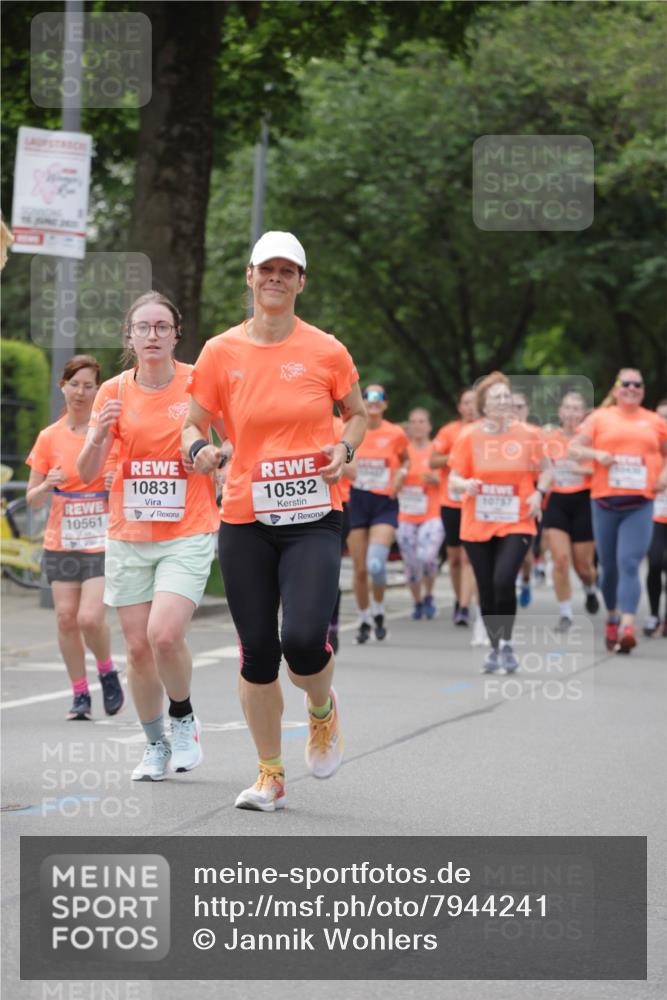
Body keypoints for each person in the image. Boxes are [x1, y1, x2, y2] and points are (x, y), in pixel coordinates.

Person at [182, 231, 367, 812]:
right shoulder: (220, 352)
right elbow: (193, 423)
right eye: (268, 270)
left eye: (288, 271)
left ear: (301, 282)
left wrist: (347, 448)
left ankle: (321, 710)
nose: (276, 279)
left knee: (304, 642)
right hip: (244, 514)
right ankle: (270, 775)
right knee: (258, 651)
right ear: (250, 276)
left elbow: (355, 415)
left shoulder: (327, 350)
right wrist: (200, 452)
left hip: (314, 512)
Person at [78, 291, 219, 779]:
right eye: (144, 327)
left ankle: (183, 719)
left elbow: (234, 444)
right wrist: (97, 436)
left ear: (176, 334)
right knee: (137, 648)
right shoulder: (112, 392)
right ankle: (155, 743)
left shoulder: (200, 383)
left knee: (163, 635)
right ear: (130, 336)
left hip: (188, 528)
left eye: (162, 327)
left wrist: (208, 457)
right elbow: (88, 471)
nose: (153, 335)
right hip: (129, 533)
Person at [26, 355, 123, 721]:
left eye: (88, 386)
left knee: (88, 618)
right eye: (74, 384)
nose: (80, 392)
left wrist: (116, 483)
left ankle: (107, 669)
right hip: (61, 540)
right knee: (66, 618)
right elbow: (31, 498)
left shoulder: (107, 434)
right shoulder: (49, 437)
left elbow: (124, 475)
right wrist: (47, 484)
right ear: (62, 387)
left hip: (101, 539)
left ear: (98, 391)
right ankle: (80, 695)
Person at [449, 372, 551, 674]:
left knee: (504, 580)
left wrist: (538, 494)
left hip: (517, 520)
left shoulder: (529, 434)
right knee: (487, 588)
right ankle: (496, 648)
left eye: (507, 397)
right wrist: (466, 484)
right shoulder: (468, 436)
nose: (504, 402)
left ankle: (506, 644)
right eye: (497, 398)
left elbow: (547, 471)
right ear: (483, 404)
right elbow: (453, 479)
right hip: (477, 523)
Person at [569, 369, 667, 652]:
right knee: (609, 568)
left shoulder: (653, 421)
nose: (632, 388)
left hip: (640, 503)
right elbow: (574, 449)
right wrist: (595, 454)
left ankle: (627, 624)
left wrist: (663, 476)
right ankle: (611, 615)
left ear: (643, 390)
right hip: (604, 503)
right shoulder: (600, 418)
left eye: (638, 384)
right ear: (616, 388)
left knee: (629, 562)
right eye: (626, 384)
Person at [346, 385, 409, 643]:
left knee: (375, 563)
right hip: (357, 500)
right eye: (368, 398)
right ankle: (363, 619)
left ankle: (380, 611)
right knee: (360, 569)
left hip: (384, 502)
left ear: (385, 404)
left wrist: (401, 476)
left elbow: (406, 460)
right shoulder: (350, 427)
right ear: (361, 402)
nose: (373, 403)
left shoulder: (395, 433)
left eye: (378, 398)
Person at [542, 391, 599, 632]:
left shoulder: (592, 439)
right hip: (557, 501)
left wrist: (583, 471)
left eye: (577, 409)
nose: (572, 413)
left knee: (583, 566)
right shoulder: (549, 438)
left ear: (584, 413)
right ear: (560, 412)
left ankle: (590, 588)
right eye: (568, 408)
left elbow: (604, 467)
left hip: (583, 500)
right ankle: (565, 614)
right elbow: (541, 468)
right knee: (561, 561)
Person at [430, 388, 478, 624]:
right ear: (459, 407)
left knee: (469, 556)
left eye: (473, 402)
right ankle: (459, 599)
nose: (469, 407)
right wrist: (456, 458)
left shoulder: (485, 432)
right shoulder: (449, 431)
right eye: (465, 403)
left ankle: (466, 606)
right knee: (455, 557)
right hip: (450, 501)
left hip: (475, 501)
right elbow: (432, 460)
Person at [396, 408, 444, 619]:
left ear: (430, 426)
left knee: (427, 557)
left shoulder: (436, 450)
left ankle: (429, 594)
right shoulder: (402, 451)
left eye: (422, 421)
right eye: (413, 421)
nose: (417, 425)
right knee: (411, 562)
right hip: (405, 514)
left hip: (432, 512)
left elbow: (452, 477)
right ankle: (417, 601)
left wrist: (437, 480)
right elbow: (391, 479)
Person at [326, 414, 358, 652]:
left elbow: (354, 471)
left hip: (335, 507)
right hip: (291, 509)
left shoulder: (340, 426)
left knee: (327, 571)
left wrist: (334, 457)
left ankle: (332, 626)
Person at [644, 398, 667, 637]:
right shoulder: (648, 451)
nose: (664, 422)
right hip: (654, 516)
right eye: (660, 417)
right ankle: (653, 614)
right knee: (656, 562)